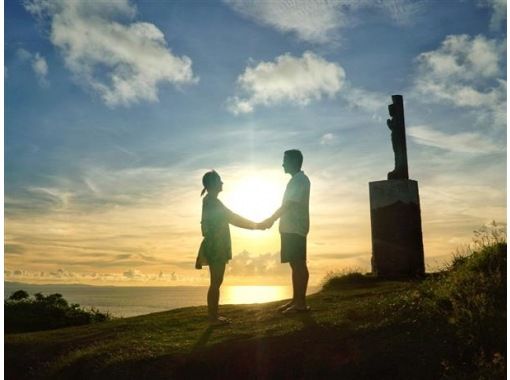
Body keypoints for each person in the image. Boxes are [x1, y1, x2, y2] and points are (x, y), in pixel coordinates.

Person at [198, 170, 264, 325]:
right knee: (216, 281)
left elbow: (229, 217)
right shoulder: (212, 202)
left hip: (215, 245)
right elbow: (233, 218)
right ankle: (213, 318)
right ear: (213, 184)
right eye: (219, 180)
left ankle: (213, 316)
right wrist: (257, 226)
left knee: (216, 281)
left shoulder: (211, 201)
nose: (222, 183)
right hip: (216, 246)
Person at [261, 150, 311, 314]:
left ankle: (300, 304)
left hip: (295, 228)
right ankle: (296, 300)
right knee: (294, 264)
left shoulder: (299, 180)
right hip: (290, 228)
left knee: (298, 263)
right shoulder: (296, 181)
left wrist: (271, 219)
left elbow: (288, 204)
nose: (282, 164)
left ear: (294, 161)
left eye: (285, 160)